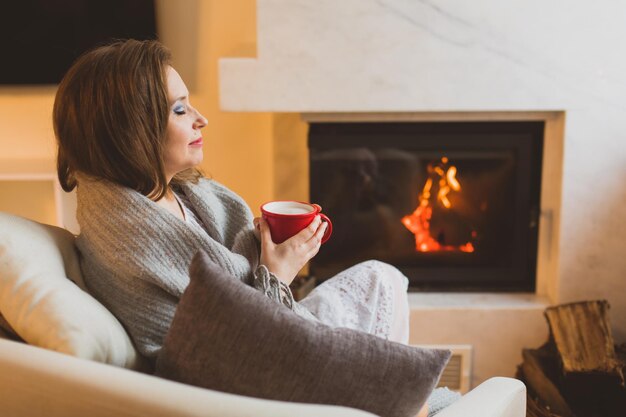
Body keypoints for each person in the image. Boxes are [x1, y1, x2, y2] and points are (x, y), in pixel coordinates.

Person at [54, 39, 444, 416]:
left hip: (265, 328)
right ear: (129, 131)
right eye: (179, 110)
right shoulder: (129, 237)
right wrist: (276, 273)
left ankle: (384, 393)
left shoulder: (178, 194)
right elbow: (227, 350)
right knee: (405, 380)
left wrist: (262, 250)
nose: (200, 119)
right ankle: (388, 400)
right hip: (239, 383)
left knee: (382, 278)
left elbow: (232, 290)